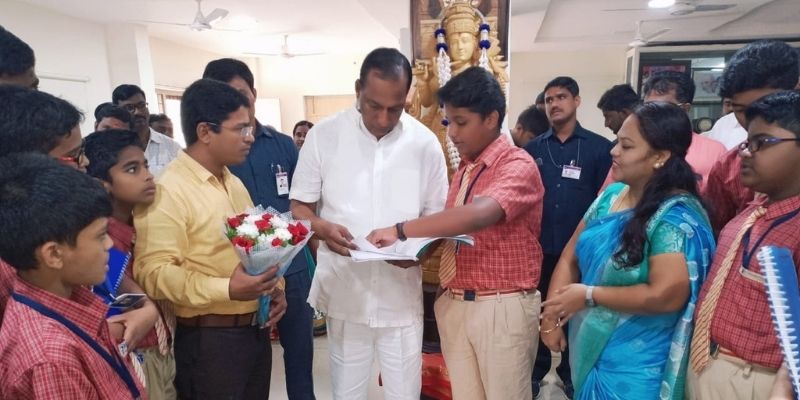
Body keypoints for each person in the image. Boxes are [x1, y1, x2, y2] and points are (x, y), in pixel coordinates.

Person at [367, 66, 544, 400]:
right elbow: (451, 230)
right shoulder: (465, 169)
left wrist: (400, 231)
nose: (452, 133)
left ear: (491, 118)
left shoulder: (517, 164)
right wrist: (416, 257)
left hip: (499, 307)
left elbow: (477, 216)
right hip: (456, 303)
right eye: (449, 122)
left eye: (461, 122)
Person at [290, 48, 448, 400]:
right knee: (347, 392)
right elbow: (300, 205)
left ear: (407, 98)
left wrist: (419, 253)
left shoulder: (424, 143)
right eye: (374, 105)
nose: (382, 118)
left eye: (395, 108)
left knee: (404, 393)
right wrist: (321, 228)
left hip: (400, 295)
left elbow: (437, 217)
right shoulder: (324, 135)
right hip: (346, 290)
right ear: (358, 89)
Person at [541, 102, 715, 399]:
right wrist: (551, 317)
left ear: (660, 157)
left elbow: (666, 296)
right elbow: (571, 256)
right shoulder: (611, 197)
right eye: (617, 142)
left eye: (626, 145)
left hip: (638, 367)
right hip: (589, 348)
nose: (614, 151)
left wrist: (589, 295)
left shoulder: (673, 217)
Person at [133, 78, 287, 399]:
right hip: (209, 342)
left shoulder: (233, 182)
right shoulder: (169, 190)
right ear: (205, 132)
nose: (250, 137)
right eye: (240, 129)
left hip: (253, 333)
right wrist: (227, 288)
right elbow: (153, 273)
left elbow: (257, 247)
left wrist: (274, 289)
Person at [203, 57, 316, 400]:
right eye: (225, 97)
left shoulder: (282, 144)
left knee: (300, 355)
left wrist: (315, 260)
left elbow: (304, 203)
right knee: (250, 363)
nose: (237, 104)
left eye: (241, 94)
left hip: (292, 271)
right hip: (239, 277)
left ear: (254, 93)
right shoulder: (213, 154)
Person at [0, 154, 144, 399]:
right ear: (54, 254)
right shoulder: (52, 360)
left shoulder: (69, 294)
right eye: (101, 236)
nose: (109, 244)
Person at [688, 91, 800, 400]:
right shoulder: (750, 214)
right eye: (746, 143)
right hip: (707, 363)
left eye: (761, 143)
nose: (746, 154)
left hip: (757, 379)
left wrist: (784, 386)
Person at [524, 76, 613, 398]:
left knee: (576, 315)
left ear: (576, 101)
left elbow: (607, 202)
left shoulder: (599, 148)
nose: (554, 104)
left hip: (580, 254)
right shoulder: (533, 149)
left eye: (561, 97)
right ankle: (534, 376)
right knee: (538, 312)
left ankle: (572, 376)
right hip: (539, 250)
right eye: (549, 99)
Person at [84, 130, 177, 399]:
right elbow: (115, 301)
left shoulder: (146, 226)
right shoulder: (103, 241)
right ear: (103, 184)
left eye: (145, 166)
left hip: (163, 348)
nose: (148, 176)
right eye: (132, 169)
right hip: (135, 355)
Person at [702, 40, 799, 232]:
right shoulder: (728, 168)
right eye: (740, 110)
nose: (752, 120)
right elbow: (716, 231)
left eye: (765, 105)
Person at [640, 71, 727, 191]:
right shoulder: (634, 146)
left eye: (663, 108)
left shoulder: (714, 151)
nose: (654, 115)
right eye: (648, 107)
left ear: (685, 108)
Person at [112, 84, 181, 176]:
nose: (138, 112)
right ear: (117, 112)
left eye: (142, 105)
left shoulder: (171, 146)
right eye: (129, 108)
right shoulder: (113, 149)